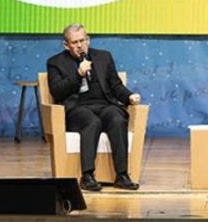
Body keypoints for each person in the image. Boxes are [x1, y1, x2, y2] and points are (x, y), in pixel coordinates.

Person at [46, 23, 142, 191]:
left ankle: (122, 175)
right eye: (75, 42)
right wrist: (78, 74)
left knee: (117, 118)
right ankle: (87, 176)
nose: (80, 45)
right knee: (92, 122)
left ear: (88, 40)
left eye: (82, 40)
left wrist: (129, 96)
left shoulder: (104, 57)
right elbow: (57, 91)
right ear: (66, 45)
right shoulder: (55, 63)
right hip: (77, 109)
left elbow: (116, 85)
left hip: (104, 105)